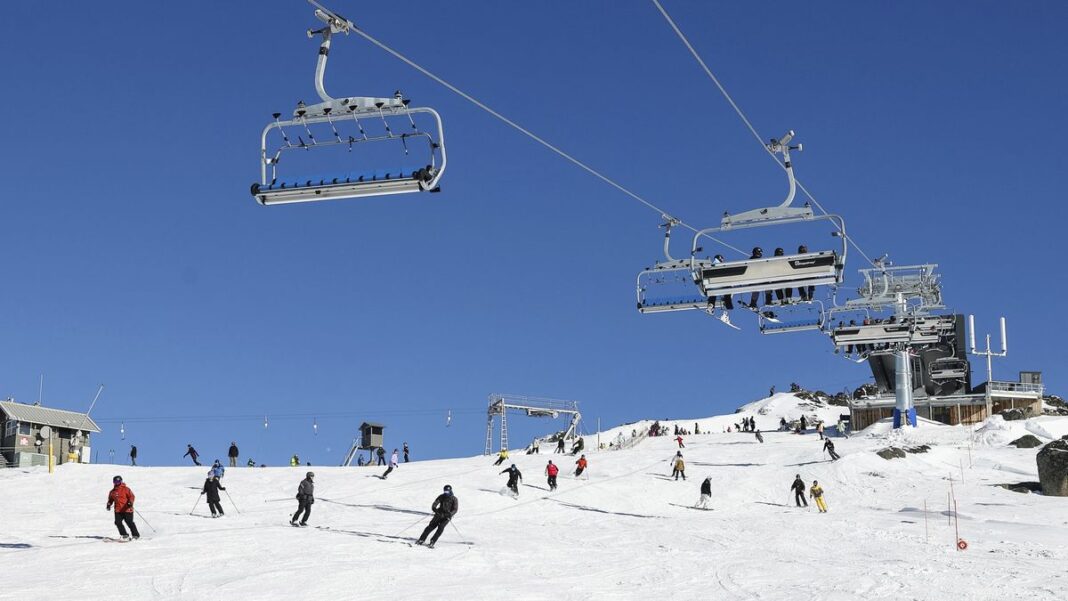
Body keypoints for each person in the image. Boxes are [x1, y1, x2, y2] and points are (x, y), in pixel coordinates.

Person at [106, 475, 140, 540]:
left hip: (127, 509)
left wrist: (130, 502)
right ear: (113, 482)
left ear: (121, 481)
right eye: (115, 482)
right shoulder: (112, 492)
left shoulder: (126, 489)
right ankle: (124, 535)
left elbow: (131, 496)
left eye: (118, 482)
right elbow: (110, 499)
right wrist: (108, 505)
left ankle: (136, 535)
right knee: (117, 522)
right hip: (118, 510)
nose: (117, 483)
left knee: (129, 522)